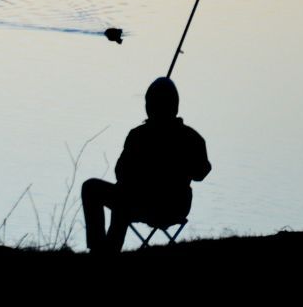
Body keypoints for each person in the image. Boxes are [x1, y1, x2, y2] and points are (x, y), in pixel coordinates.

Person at [81, 76, 211, 253]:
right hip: (175, 207)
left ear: (149, 107)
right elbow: (201, 173)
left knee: (106, 194)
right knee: (115, 195)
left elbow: (120, 173)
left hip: (155, 206)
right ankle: (102, 249)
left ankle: (103, 250)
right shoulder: (191, 137)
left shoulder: (138, 136)